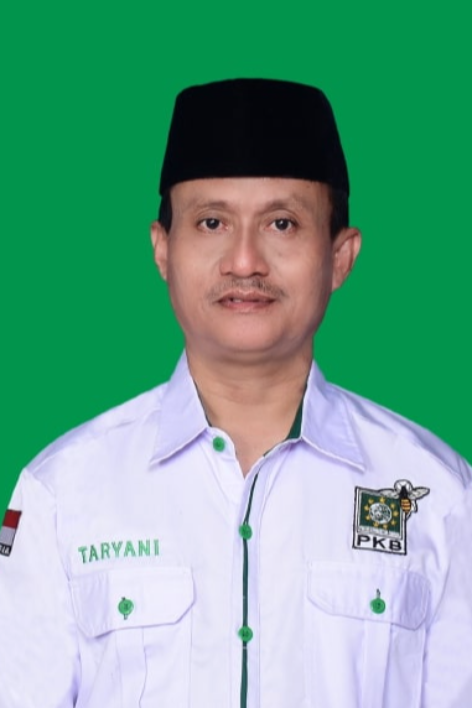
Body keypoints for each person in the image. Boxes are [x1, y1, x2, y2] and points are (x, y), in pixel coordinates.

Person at [0, 78, 471, 708]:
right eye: (212, 222)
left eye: (282, 223)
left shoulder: (440, 494)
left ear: (340, 256)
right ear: (163, 250)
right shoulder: (60, 492)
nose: (244, 261)